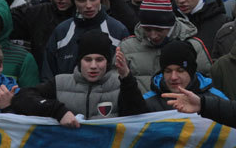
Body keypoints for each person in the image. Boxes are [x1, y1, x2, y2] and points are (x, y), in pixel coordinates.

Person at [12, 30, 146, 125]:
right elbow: (22, 97)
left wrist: (127, 78)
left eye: (99, 59)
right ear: (79, 61)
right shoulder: (60, 83)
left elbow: (138, 115)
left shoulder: (120, 84)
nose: (93, 66)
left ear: (108, 62)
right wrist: (58, 111)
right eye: (87, 59)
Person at [42, 0, 130, 81]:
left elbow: (127, 74)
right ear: (74, 0)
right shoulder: (61, 32)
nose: (88, 5)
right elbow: (48, 75)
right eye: (81, 0)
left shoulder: (118, 31)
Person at [118, 0, 212, 91]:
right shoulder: (127, 48)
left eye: (159, 30)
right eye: (148, 29)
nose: (153, 36)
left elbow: (207, 82)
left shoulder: (193, 46)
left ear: (170, 26)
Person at [143, 40, 226, 112]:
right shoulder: (147, 102)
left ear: (191, 72)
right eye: (168, 71)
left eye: (180, 71)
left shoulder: (216, 99)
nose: (173, 77)